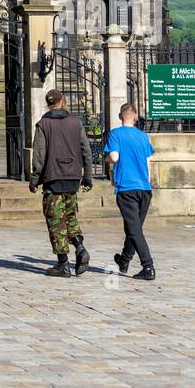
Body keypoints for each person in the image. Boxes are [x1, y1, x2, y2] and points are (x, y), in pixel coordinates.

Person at [29, 88, 94, 278]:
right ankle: (80, 248)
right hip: (73, 178)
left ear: (48, 104)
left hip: (53, 178)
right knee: (70, 217)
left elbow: (39, 156)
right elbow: (86, 151)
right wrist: (87, 177)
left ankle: (63, 264)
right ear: (63, 101)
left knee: (56, 221)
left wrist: (34, 180)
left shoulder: (43, 124)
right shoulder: (76, 122)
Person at [104, 102, 156, 281]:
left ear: (120, 116)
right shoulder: (143, 136)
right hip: (144, 187)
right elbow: (149, 162)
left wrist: (107, 159)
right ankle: (124, 260)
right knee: (134, 228)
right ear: (134, 117)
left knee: (134, 229)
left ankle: (148, 266)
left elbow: (114, 157)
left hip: (126, 186)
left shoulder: (115, 134)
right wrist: (147, 183)